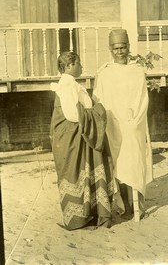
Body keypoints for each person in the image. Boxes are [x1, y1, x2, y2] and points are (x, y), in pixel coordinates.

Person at [93, 29, 153, 219]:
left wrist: (135, 120)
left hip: (134, 123)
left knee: (134, 161)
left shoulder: (136, 71)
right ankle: (124, 203)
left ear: (128, 47)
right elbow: (99, 100)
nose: (120, 51)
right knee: (118, 162)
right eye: (116, 48)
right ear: (110, 49)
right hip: (114, 125)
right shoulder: (105, 73)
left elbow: (143, 98)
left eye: (123, 47)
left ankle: (137, 203)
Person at [50, 51, 113, 230]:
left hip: (80, 135)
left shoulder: (72, 84)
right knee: (76, 172)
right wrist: (97, 112)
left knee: (86, 172)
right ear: (69, 66)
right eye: (79, 63)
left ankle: (89, 214)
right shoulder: (65, 86)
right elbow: (72, 115)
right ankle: (78, 219)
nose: (82, 67)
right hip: (72, 137)